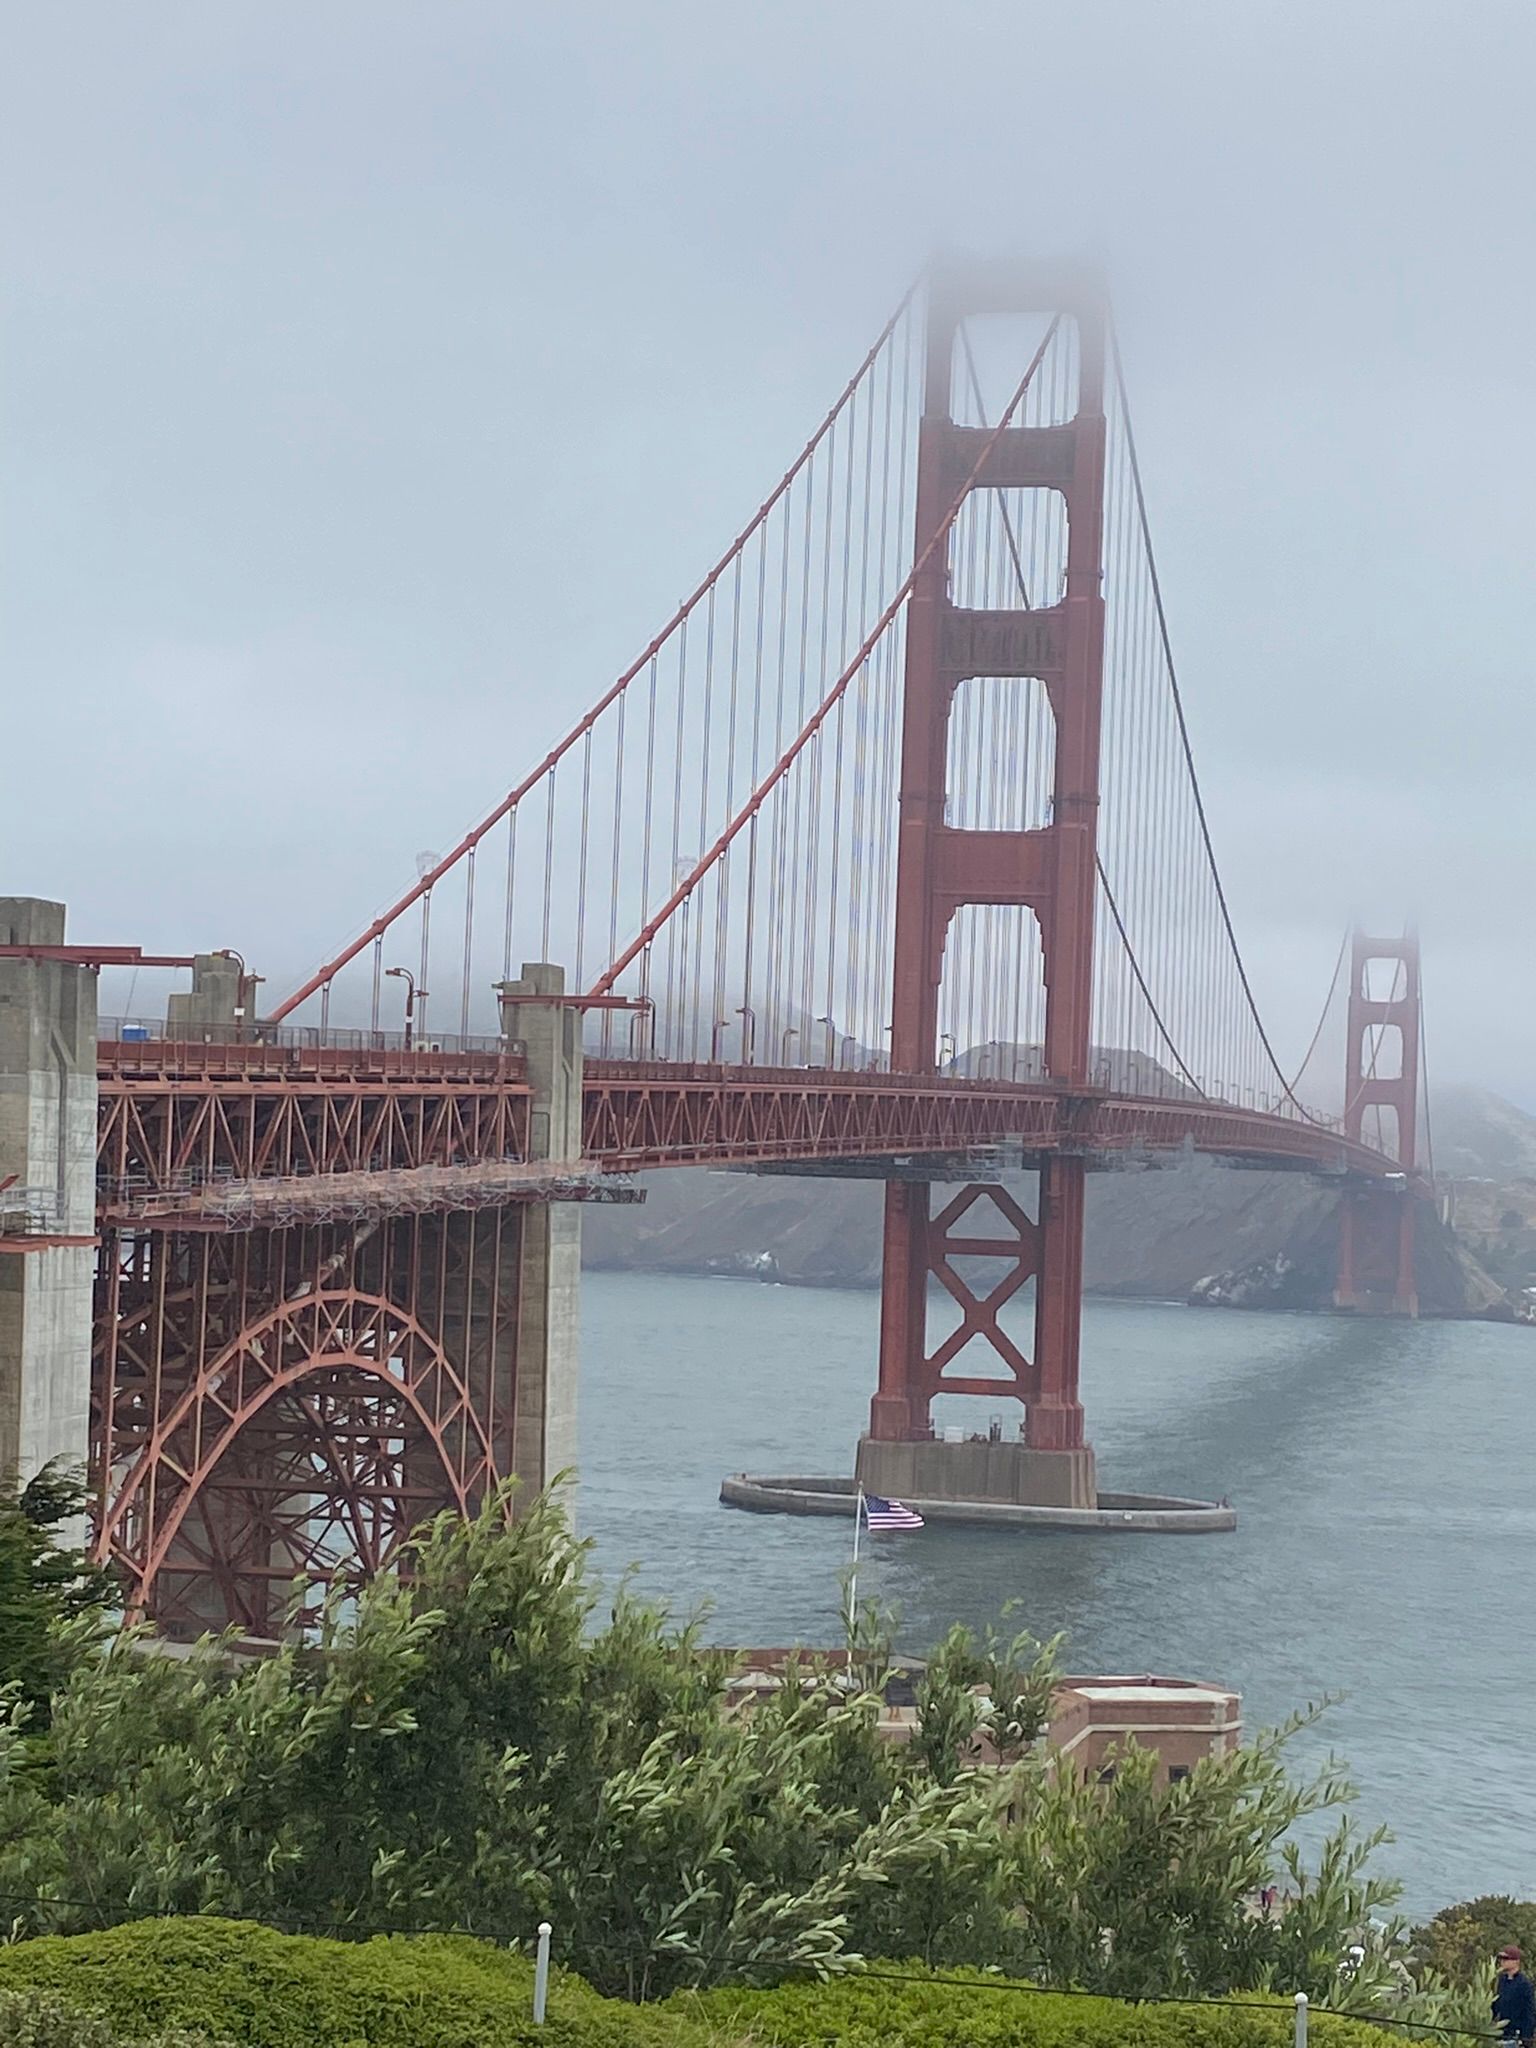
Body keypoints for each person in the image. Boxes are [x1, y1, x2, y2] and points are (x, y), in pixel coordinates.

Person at [1492, 1947, 1536, 2047]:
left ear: (1516, 1961)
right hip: (1499, 2034)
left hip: (1516, 2036)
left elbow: (1529, 2014)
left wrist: (1526, 2040)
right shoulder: (1500, 1981)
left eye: (1506, 1959)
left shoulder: (1524, 1984)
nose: (1502, 1961)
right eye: (1501, 1959)